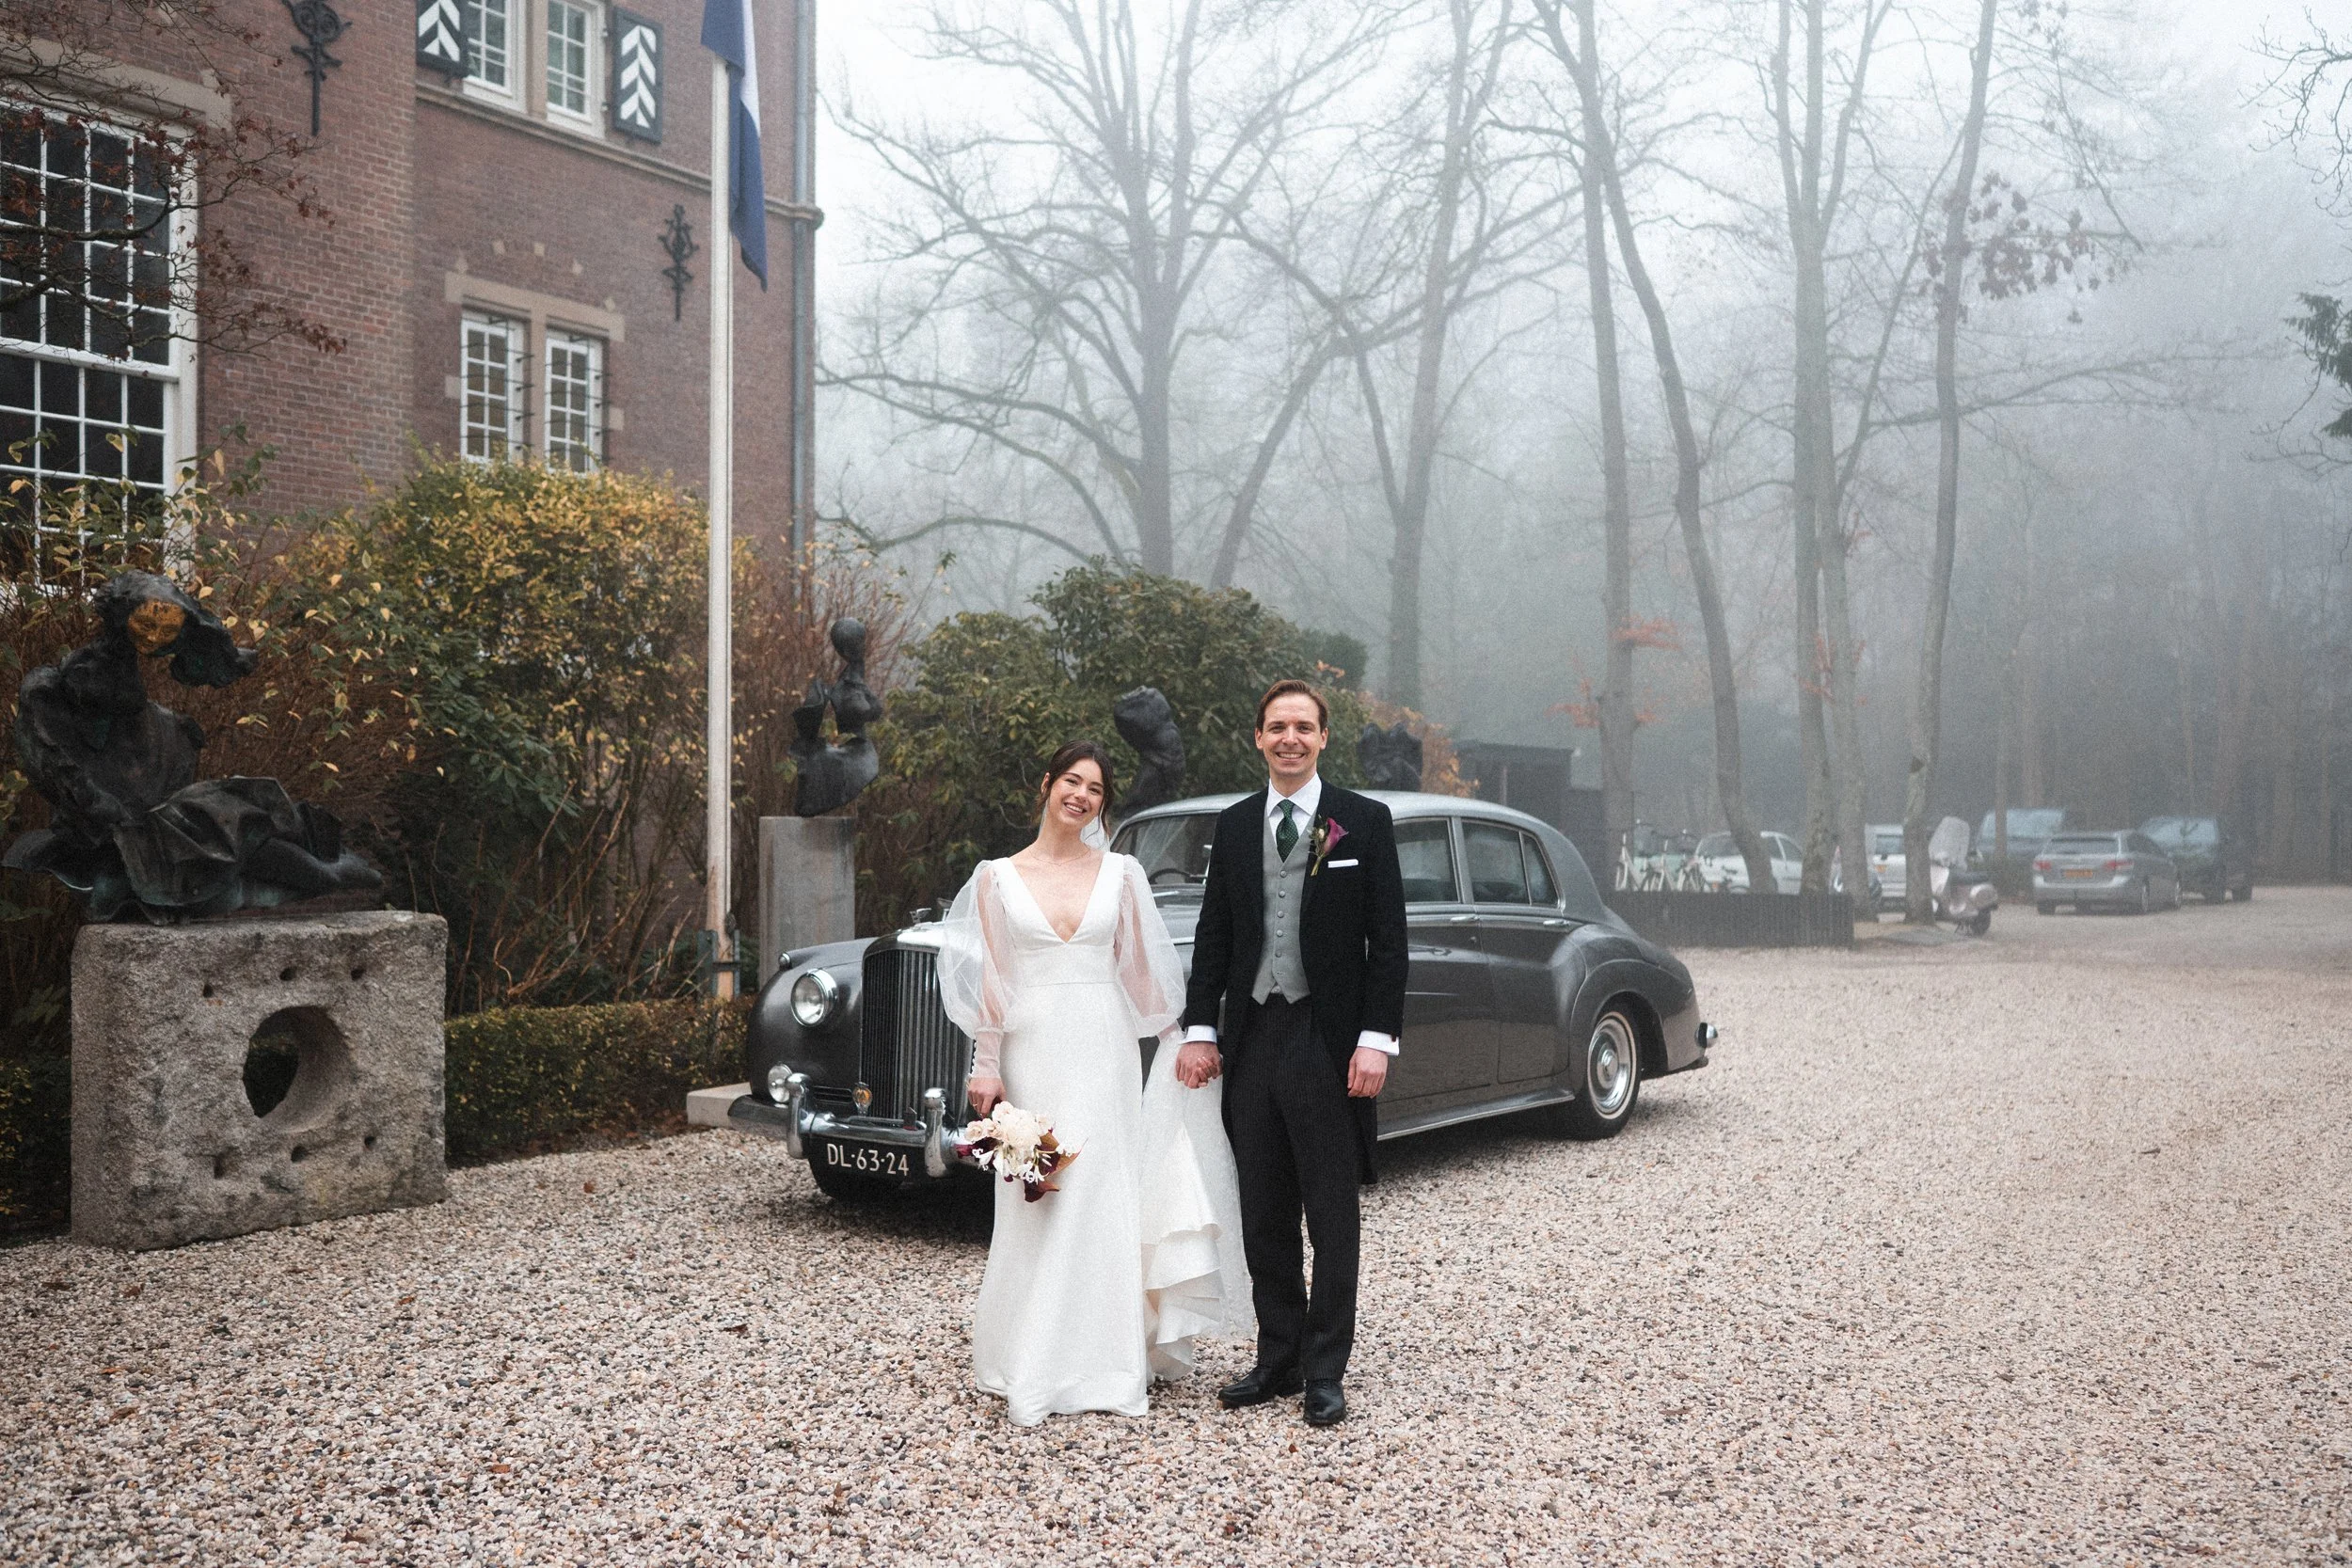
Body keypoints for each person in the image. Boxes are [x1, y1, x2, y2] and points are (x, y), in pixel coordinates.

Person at [937, 740, 1248, 1426]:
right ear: (1046, 785)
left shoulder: (1123, 872)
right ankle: (1029, 1354)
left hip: (1103, 1047)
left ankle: (1104, 1363)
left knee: (1101, 1191)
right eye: (1071, 781)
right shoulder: (997, 876)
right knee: (1042, 1194)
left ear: (1103, 804)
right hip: (1033, 1048)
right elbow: (994, 979)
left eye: (1096, 789)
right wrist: (985, 1061)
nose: (1081, 795)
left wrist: (1179, 1039)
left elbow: (1140, 972)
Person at [1175, 679, 1408, 1428]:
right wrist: (1200, 1027)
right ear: (1258, 737)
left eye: (1303, 726)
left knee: (1331, 1209)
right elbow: (1214, 936)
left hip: (1326, 1036)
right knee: (1263, 1206)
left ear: (1323, 737)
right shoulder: (1237, 823)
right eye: (1277, 725)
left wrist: (1376, 1040)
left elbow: (1390, 944)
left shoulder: (1362, 823)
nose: (1290, 738)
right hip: (1252, 1034)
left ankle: (1325, 1367)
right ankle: (1276, 1353)